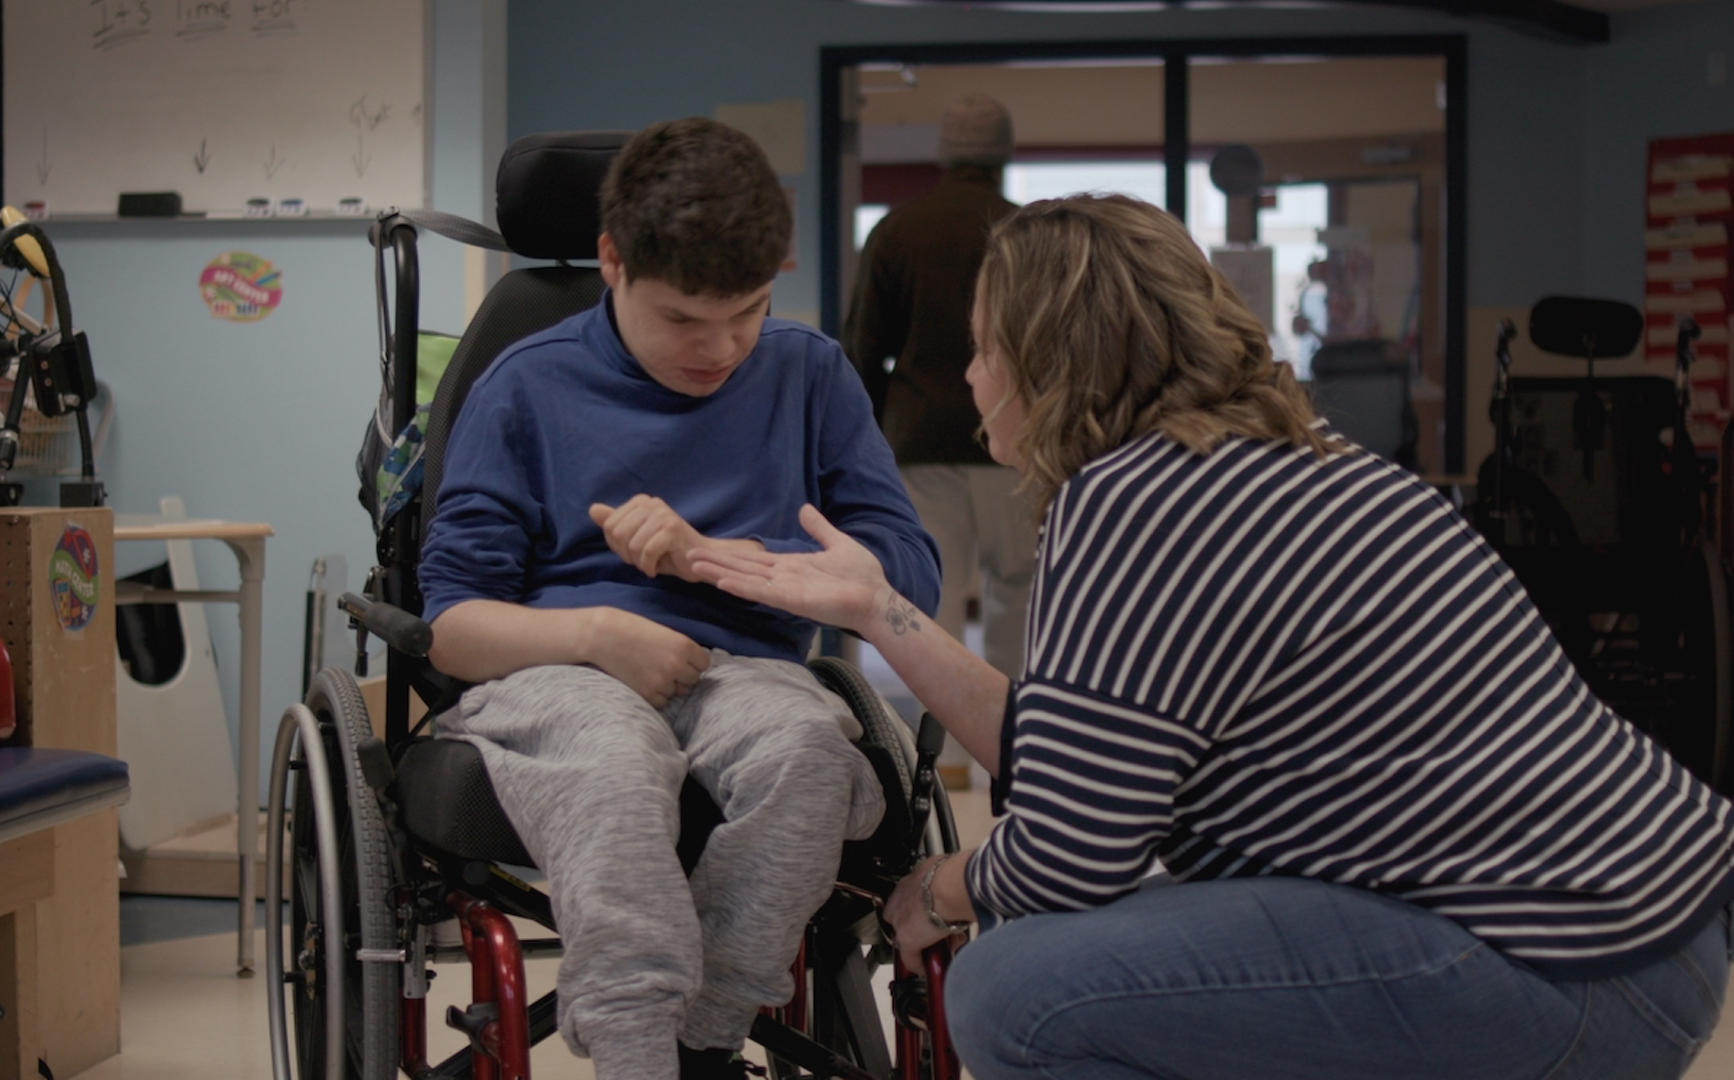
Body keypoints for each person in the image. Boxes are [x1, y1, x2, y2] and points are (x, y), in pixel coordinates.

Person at [692, 193, 1734, 1080]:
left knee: (1016, 990)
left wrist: (938, 888)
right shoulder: (1273, 457)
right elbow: (1076, 757)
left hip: (1564, 966)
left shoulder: (1132, 503)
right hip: (1645, 930)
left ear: (1050, 357)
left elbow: (1067, 854)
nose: (968, 375)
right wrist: (879, 607)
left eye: (985, 346)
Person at [417, 117, 941, 1080]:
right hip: (556, 670)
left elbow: (906, 574)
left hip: (746, 671)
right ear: (612, 262)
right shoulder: (523, 385)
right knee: (615, 768)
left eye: (748, 311)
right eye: (684, 320)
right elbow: (452, 628)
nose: (723, 348)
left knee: (808, 757)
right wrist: (596, 634)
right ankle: (635, 1054)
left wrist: (714, 559)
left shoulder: (808, 372)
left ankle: (702, 1042)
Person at [843, 93, 1034, 787]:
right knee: (1019, 590)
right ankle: (1012, 747)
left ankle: (947, 758)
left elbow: (864, 348)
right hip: (1015, 435)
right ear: (1003, 152)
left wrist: (860, 444)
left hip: (920, 438)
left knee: (938, 596)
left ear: (945, 152)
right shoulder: (1024, 233)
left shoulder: (898, 229)